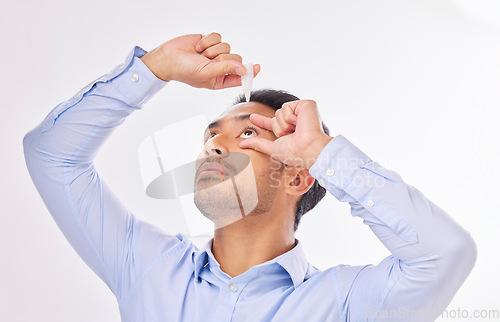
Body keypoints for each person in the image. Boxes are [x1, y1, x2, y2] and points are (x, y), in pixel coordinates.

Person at [24, 33, 476, 321]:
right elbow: (51, 155)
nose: (213, 146)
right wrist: (154, 68)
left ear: (299, 178)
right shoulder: (147, 267)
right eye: (211, 135)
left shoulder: (347, 304)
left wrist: (321, 153)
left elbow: (445, 255)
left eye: (247, 133)